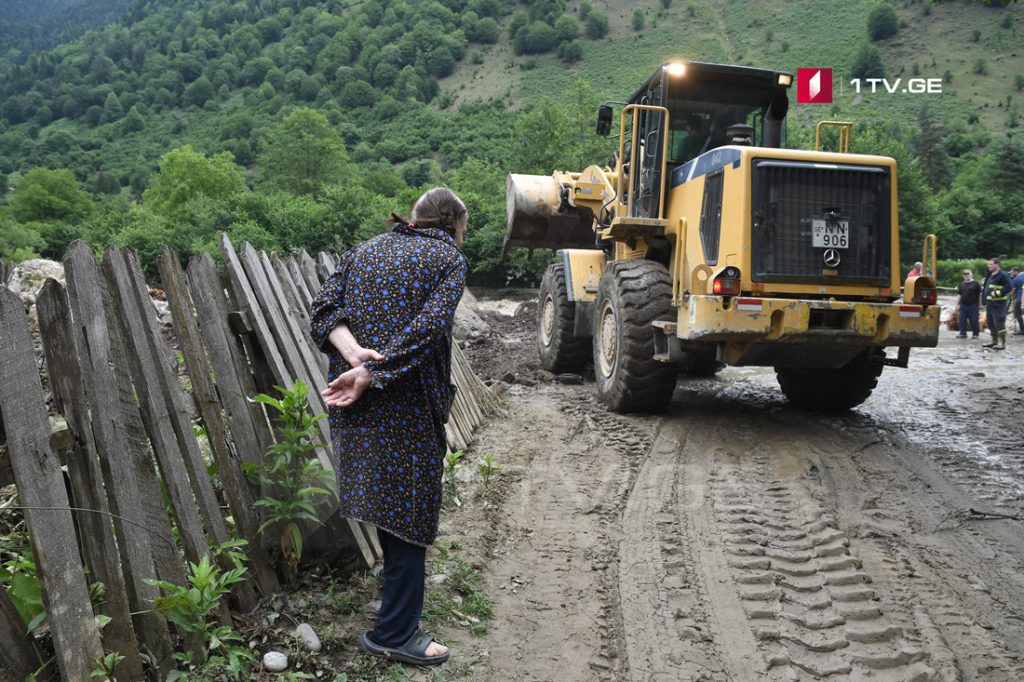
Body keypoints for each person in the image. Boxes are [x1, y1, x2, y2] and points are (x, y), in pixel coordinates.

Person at [310, 187, 469, 667]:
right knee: (411, 518)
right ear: (452, 225)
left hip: (354, 401)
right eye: (463, 232)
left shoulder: (364, 251)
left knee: (387, 508)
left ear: (415, 217)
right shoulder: (447, 261)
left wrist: (354, 354)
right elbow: (427, 329)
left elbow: (323, 313)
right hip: (405, 405)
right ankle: (394, 633)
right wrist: (370, 372)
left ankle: (394, 616)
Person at [981, 257, 1013, 350]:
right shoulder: (990, 275)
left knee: (999, 324)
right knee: (990, 324)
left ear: (997, 265)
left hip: (999, 305)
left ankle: (1001, 344)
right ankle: (994, 341)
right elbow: (986, 288)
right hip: (990, 304)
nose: (988, 266)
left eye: (990, 264)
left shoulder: (1003, 275)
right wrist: (984, 301)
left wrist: (997, 293)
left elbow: (1009, 287)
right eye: (988, 264)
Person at [955, 268, 982, 339]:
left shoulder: (976, 284)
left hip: (973, 305)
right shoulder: (961, 284)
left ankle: (975, 334)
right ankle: (963, 334)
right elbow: (959, 294)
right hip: (963, 305)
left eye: (968, 274)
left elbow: (980, 294)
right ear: (963, 276)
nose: (966, 276)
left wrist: (980, 304)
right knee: (962, 320)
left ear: (971, 274)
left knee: (974, 320)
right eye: (965, 275)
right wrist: (957, 304)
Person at [1010, 265, 1024, 335]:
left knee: (1018, 314)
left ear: (1016, 271)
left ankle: (1022, 330)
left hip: (1019, 299)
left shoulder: (1016, 279)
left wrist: (1011, 296)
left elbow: (1013, 290)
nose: (1011, 274)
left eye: (1012, 272)